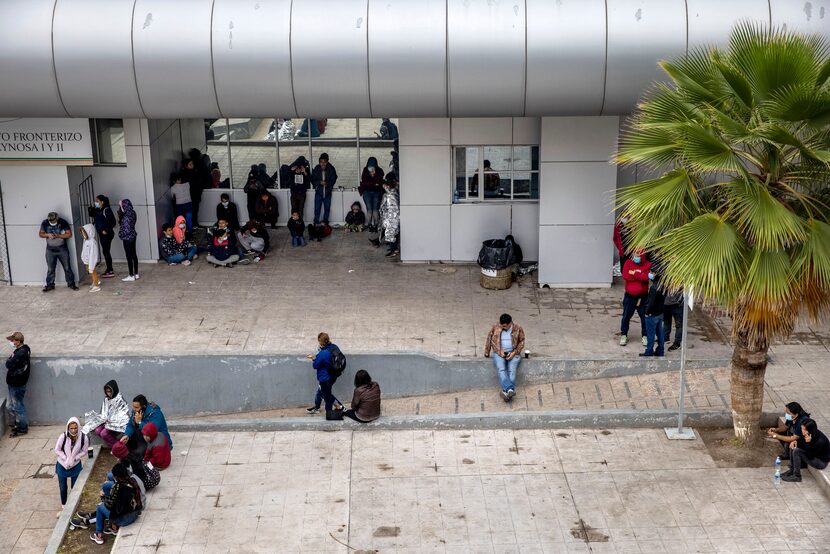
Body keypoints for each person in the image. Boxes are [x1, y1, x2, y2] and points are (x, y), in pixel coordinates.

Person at [86, 462, 142, 544]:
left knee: (100, 508)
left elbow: (109, 506)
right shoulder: (133, 481)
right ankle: (114, 528)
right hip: (135, 514)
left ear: (116, 477)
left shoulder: (117, 487)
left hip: (124, 519)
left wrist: (104, 498)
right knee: (119, 506)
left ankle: (99, 535)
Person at [484, 314, 526, 402]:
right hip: (499, 352)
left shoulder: (518, 328)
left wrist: (514, 353)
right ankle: (510, 390)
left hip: (514, 352)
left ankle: (506, 391)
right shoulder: (495, 327)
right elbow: (489, 339)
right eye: (502, 326)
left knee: (512, 369)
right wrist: (490, 352)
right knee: (501, 369)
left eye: (506, 326)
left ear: (510, 323)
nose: (504, 328)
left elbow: (522, 341)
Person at [82, 380, 130, 448]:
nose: (108, 393)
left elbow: (122, 414)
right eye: (107, 391)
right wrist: (104, 419)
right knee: (97, 431)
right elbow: (104, 411)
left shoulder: (120, 400)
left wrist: (111, 420)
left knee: (104, 433)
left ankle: (119, 448)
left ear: (114, 390)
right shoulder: (106, 399)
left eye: (110, 391)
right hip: (107, 422)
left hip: (116, 423)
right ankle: (114, 445)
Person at [55, 417, 89, 513]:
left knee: (75, 487)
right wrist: (65, 458)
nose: (73, 430)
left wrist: (75, 458)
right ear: (68, 428)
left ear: (78, 427)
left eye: (75, 428)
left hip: (75, 465)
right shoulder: (63, 437)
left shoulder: (83, 438)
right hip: (62, 464)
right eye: (71, 428)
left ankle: (73, 505)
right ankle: (64, 506)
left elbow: (84, 451)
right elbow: (57, 449)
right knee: (63, 487)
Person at [306, 332, 344, 414]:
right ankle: (317, 407)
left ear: (320, 341)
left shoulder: (323, 353)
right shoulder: (334, 347)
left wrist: (313, 358)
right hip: (333, 375)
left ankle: (338, 408)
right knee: (321, 392)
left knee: (327, 395)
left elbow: (315, 365)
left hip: (325, 378)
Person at [39, 211, 78, 292]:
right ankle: (50, 285)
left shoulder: (63, 222)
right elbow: (40, 234)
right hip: (50, 249)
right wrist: (47, 235)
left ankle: (71, 283)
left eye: (54, 221)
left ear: (57, 218)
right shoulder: (45, 223)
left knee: (67, 267)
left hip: (62, 249)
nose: (52, 223)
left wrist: (58, 235)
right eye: (51, 222)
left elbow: (69, 234)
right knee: (50, 269)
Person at [619, 251, 651, 346]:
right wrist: (640, 274)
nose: (635, 257)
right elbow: (625, 275)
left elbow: (646, 278)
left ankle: (645, 336)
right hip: (629, 297)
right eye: (634, 255)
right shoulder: (628, 263)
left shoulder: (648, 265)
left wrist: (634, 273)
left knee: (644, 318)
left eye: (638, 256)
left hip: (643, 298)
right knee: (626, 317)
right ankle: (624, 335)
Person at [5, 331, 30, 437]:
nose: (11, 342)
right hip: (14, 383)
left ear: (19, 341)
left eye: (13, 340)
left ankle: (22, 428)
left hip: (17, 384)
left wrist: (9, 360)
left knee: (18, 406)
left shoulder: (20, 353)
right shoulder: (23, 350)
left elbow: (9, 364)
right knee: (11, 406)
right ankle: (18, 424)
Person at [640, 271, 666, 357]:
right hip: (660, 313)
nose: (650, 274)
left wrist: (647, 312)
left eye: (652, 273)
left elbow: (651, 302)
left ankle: (649, 351)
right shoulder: (663, 286)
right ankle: (660, 351)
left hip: (652, 315)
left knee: (650, 334)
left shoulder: (654, 288)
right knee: (660, 334)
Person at [90, 195, 117, 278]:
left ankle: (110, 270)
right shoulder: (100, 210)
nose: (96, 203)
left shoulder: (106, 210)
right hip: (102, 234)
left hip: (106, 234)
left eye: (97, 201)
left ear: (102, 202)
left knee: (106, 252)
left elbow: (112, 222)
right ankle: (109, 269)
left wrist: (105, 230)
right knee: (105, 251)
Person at [359, 157, 385, 231]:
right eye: (370, 166)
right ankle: (370, 225)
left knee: (375, 210)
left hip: (376, 193)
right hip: (367, 192)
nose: (371, 168)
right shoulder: (365, 170)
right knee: (370, 210)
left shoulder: (379, 171)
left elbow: (380, 181)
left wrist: (374, 175)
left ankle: (376, 225)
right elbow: (364, 181)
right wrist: (374, 183)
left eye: (372, 166)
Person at [312, 153, 338, 225]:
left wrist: (328, 184)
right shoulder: (317, 168)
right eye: (321, 162)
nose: (323, 164)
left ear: (327, 162)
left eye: (324, 162)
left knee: (327, 208)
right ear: (319, 162)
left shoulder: (331, 168)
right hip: (319, 192)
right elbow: (312, 180)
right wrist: (319, 182)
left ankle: (325, 222)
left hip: (327, 192)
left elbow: (334, 179)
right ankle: (316, 222)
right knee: (317, 208)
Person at [118, 199, 140, 282]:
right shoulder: (133, 212)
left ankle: (131, 275)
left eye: (121, 206)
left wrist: (121, 234)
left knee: (129, 256)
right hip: (133, 236)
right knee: (134, 254)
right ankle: (136, 273)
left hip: (127, 238)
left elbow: (125, 229)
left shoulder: (126, 216)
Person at [379, 174, 400, 257]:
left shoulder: (390, 194)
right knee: (395, 233)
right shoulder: (394, 192)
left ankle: (393, 250)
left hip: (392, 217)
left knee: (391, 233)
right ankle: (394, 249)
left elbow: (392, 207)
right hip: (394, 216)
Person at [79, 224, 101, 293]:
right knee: (90, 271)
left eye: (84, 233)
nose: (83, 235)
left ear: (89, 232)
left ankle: (96, 285)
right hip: (87, 261)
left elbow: (93, 254)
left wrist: (92, 263)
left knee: (92, 271)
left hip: (91, 261)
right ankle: (95, 281)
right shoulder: (86, 241)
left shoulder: (92, 242)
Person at [663, 288, 684, 352]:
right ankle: (665, 338)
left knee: (679, 324)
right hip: (666, 303)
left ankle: (677, 343)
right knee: (666, 321)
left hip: (676, 303)